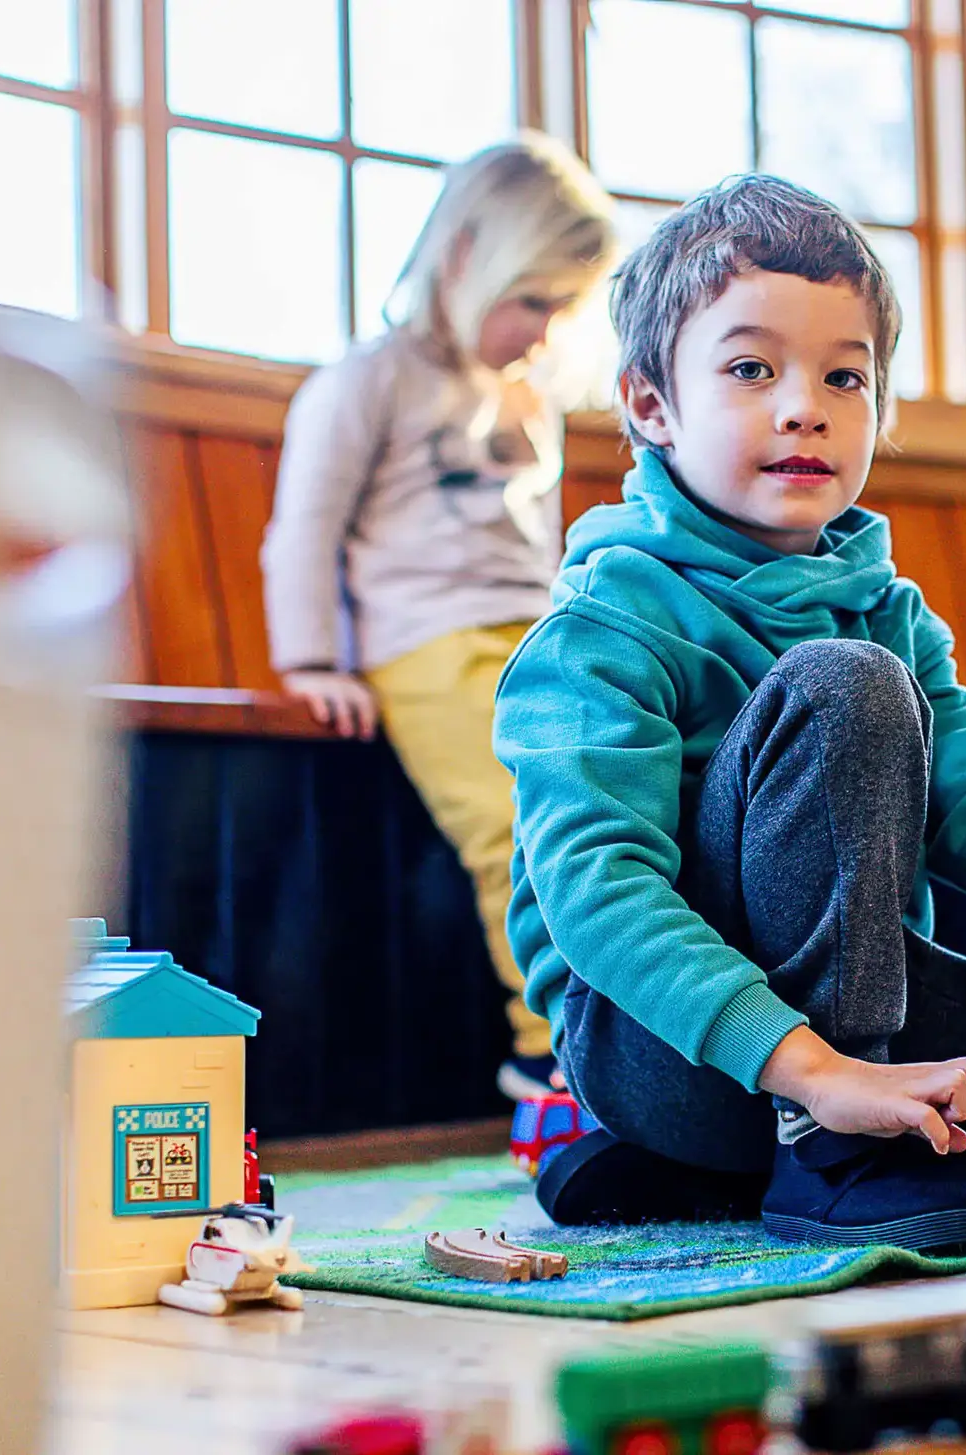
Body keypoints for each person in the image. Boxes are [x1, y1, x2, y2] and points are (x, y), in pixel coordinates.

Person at [493, 174, 966, 1248]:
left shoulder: (881, 604)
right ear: (650, 405)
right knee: (841, 682)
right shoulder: (606, 624)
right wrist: (820, 1075)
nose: (803, 404)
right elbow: (596, 892)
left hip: (850, 1015)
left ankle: (716, 1162)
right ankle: (824, 1147)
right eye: (752, 368)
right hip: (657, 1045)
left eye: (843, 375)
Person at [261, 136, 617, 1104]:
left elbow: (538, 548)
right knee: (520, 822)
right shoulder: (369, 381)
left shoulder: (525, 400)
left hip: (526, 639)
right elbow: (304, 531)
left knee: (609, 805)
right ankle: (550, 1047)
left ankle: (628, 1029)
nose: (545, 333)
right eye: (533, 300)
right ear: (464, 259)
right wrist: (312, 662)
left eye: (565, 310)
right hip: (426, 647)